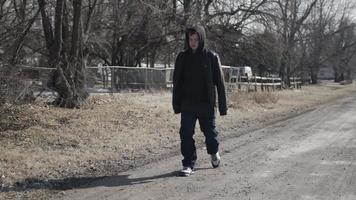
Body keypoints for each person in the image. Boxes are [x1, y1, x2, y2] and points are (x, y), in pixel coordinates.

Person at [172, 25, 227, 176]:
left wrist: (223, 107)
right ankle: (188, 163)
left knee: (211, 135)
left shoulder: (211, 57)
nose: (193, 42)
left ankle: (214, 152)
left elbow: (220, 84)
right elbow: (177, 82)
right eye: (191, 39)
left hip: (206, 104)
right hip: (188, 103)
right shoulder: (182, 57)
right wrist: (177, 104)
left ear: (201, 39)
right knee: (185, 132)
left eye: (196, 39)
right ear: (187, 40)